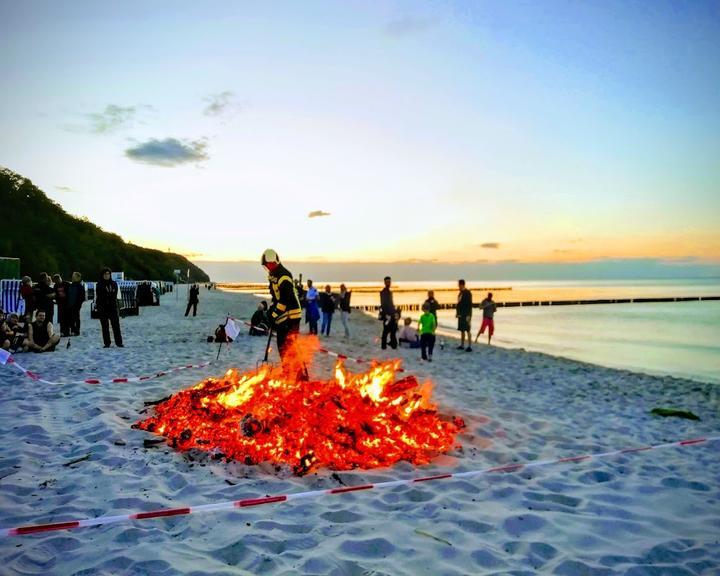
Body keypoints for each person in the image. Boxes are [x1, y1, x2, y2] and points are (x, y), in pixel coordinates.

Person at [262, 249, 302, 360]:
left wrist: (273, 315)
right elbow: (276, 296)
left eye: (269, 265)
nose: (268, 267)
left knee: (289, 347)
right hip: (283, 315)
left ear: (273, 262)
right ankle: (287, 371)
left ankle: (298, 374)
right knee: (281, 346)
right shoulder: (273, 275)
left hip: (291, 315)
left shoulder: (284, 276)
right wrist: (271, 310)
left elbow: (285, 299)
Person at [95, 267, 124, 348]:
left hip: (112, 307)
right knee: (105, 326)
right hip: (103, 307)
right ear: (102, 275)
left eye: (108, 274)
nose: (107, 276)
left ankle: (119, 342)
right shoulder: (99, 284)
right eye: (105, 274)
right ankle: (107, 343)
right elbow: (99, 296)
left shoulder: (114, 284)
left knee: (116, 326)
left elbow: (115, 295)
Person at [379, 276, 397, 350]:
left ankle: (393, 344)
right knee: (386, 330)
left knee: (393, 329)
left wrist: (395, 311)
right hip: (387, 314)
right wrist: (386, 314)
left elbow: (391, 303)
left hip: (391, 313)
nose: (388, 283)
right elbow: (383, 304)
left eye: (389, 281)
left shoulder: (389, 292)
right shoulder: (383, 292)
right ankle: (384, 346)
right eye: (387, 282)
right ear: (385, 282)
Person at [456, 279, 473, 352]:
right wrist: (457, 313)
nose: (458, 286)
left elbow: (470, 305)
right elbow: (458, 304)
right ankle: (462, 345)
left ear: (462, 285)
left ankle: (469, 346)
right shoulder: (460, 293)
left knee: (468, 330)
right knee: (462, 330)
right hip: (461, 314)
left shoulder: (468, 293)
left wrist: (469, 315)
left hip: (466, 314)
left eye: (459, 285)